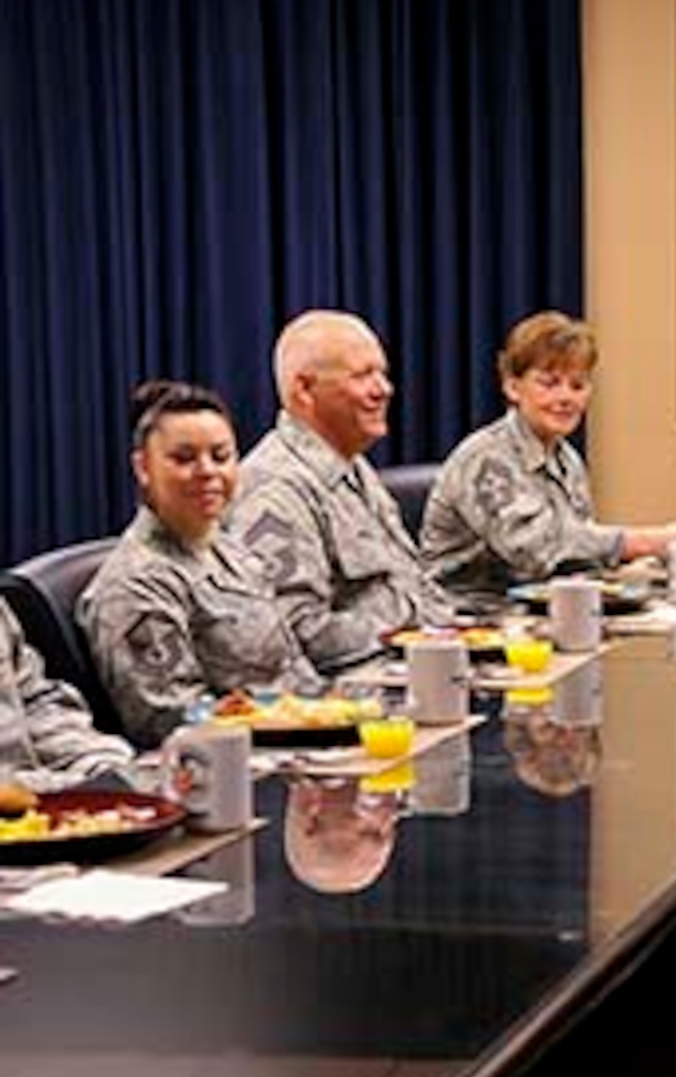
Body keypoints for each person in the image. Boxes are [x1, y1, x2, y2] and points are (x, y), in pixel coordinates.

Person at [422, 311, 676, 611]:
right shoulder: (485, 458)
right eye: (549, 383)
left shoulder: (568, 459)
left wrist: (661, 561)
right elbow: (536, 550)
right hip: (467, 622)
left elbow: (579, 557)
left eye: (578, 386)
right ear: (512, 387)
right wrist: (647, 541)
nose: (566, 397)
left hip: (545, 616)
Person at [79, 381, 323, 747]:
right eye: (184, 458)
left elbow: (296, 672)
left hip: (308, 743)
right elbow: (169, 718)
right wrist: (290, 724)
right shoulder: (135, 584)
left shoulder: (233, 552)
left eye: (221, 456)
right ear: (143, 468)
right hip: (233, 769)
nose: (207, 471)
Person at [229, 310, 455, 672]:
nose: (384, 389)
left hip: (416, 671)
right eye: (363, 375)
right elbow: (298, 635)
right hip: (349, 698)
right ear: (304, 389)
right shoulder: (274, 492)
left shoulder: (352, 467)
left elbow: (416, 581)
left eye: (383, 373)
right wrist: (407, 617)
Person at [0, 600, 133, 789]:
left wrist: (101, 764)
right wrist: (60, 786)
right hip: (25, 796)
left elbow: (37, 703)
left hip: (40, 796)